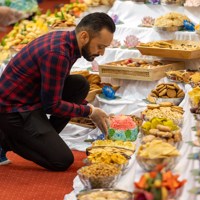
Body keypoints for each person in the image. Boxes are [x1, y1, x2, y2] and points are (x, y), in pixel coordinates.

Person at [0, 12, 115, 170]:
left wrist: (88, 108)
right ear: (84, 36)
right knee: (62, 160)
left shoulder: (66, 41)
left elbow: (56, 86)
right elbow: (52, 106)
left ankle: (38, 139)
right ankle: (5, 138)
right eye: (100, 46)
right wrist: (90, 111)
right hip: (13, 111)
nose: (102, 53)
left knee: (80, 85)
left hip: (30, 100)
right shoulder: (58, 53)